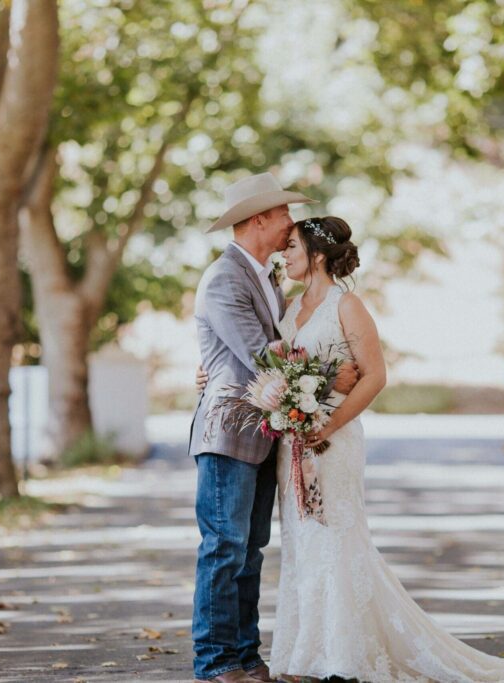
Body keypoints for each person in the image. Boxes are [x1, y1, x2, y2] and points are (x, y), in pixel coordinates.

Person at [201, 215, 504, 682]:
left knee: (335, 535)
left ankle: (341, 654)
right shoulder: (289, 304)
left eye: (295, 245)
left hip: (331, 440)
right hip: (291, 442)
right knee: (302, 543)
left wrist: (328, 424)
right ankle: (305, 653)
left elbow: (375, 375)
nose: (286, 250)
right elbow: (265, 356)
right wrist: (212, 374)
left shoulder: (348, 305)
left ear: (318, 255)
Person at [189, 173, 359, 683]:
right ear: (260, 218)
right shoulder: (224, 277)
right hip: (227, 433)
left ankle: (244, 654)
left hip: (265, 430)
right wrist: (334, 374)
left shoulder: (266, 276)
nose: (290, 224)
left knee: (249, 548)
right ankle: (215, 660)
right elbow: (264, 355)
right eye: (284, 213)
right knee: (223, 547)